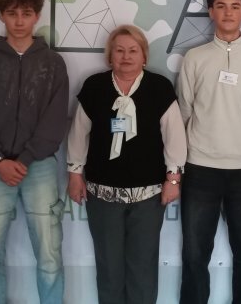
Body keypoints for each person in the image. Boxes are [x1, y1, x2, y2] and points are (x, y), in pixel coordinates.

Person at [67, 24, 187, 304]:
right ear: (110, 56)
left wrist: (173, 179)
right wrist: (74, 174)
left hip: (148, 196)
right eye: (119, 50)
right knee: (109, 267)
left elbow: (174, 136)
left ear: (144, 55)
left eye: (133, 50)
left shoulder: (159, 87)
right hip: (102, 194)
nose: (126, 56)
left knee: (142, 268)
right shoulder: (94, 86)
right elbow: (78, 133)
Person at [0, 0, 69, 304]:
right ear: (1, 16)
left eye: (26, 13)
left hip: (38, 167)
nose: (19, 21)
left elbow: (55, 120)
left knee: (50, 256)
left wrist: (24, 159)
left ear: (37, 16)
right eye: (12, 13)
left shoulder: (53, 63)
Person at [177, 0, 241, 303]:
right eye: (221, 6)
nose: (228, 12)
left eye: (235, 6)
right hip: (200, 167)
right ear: (211, 12)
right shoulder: (194, 57)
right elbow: (185, 111)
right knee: (194, 255)